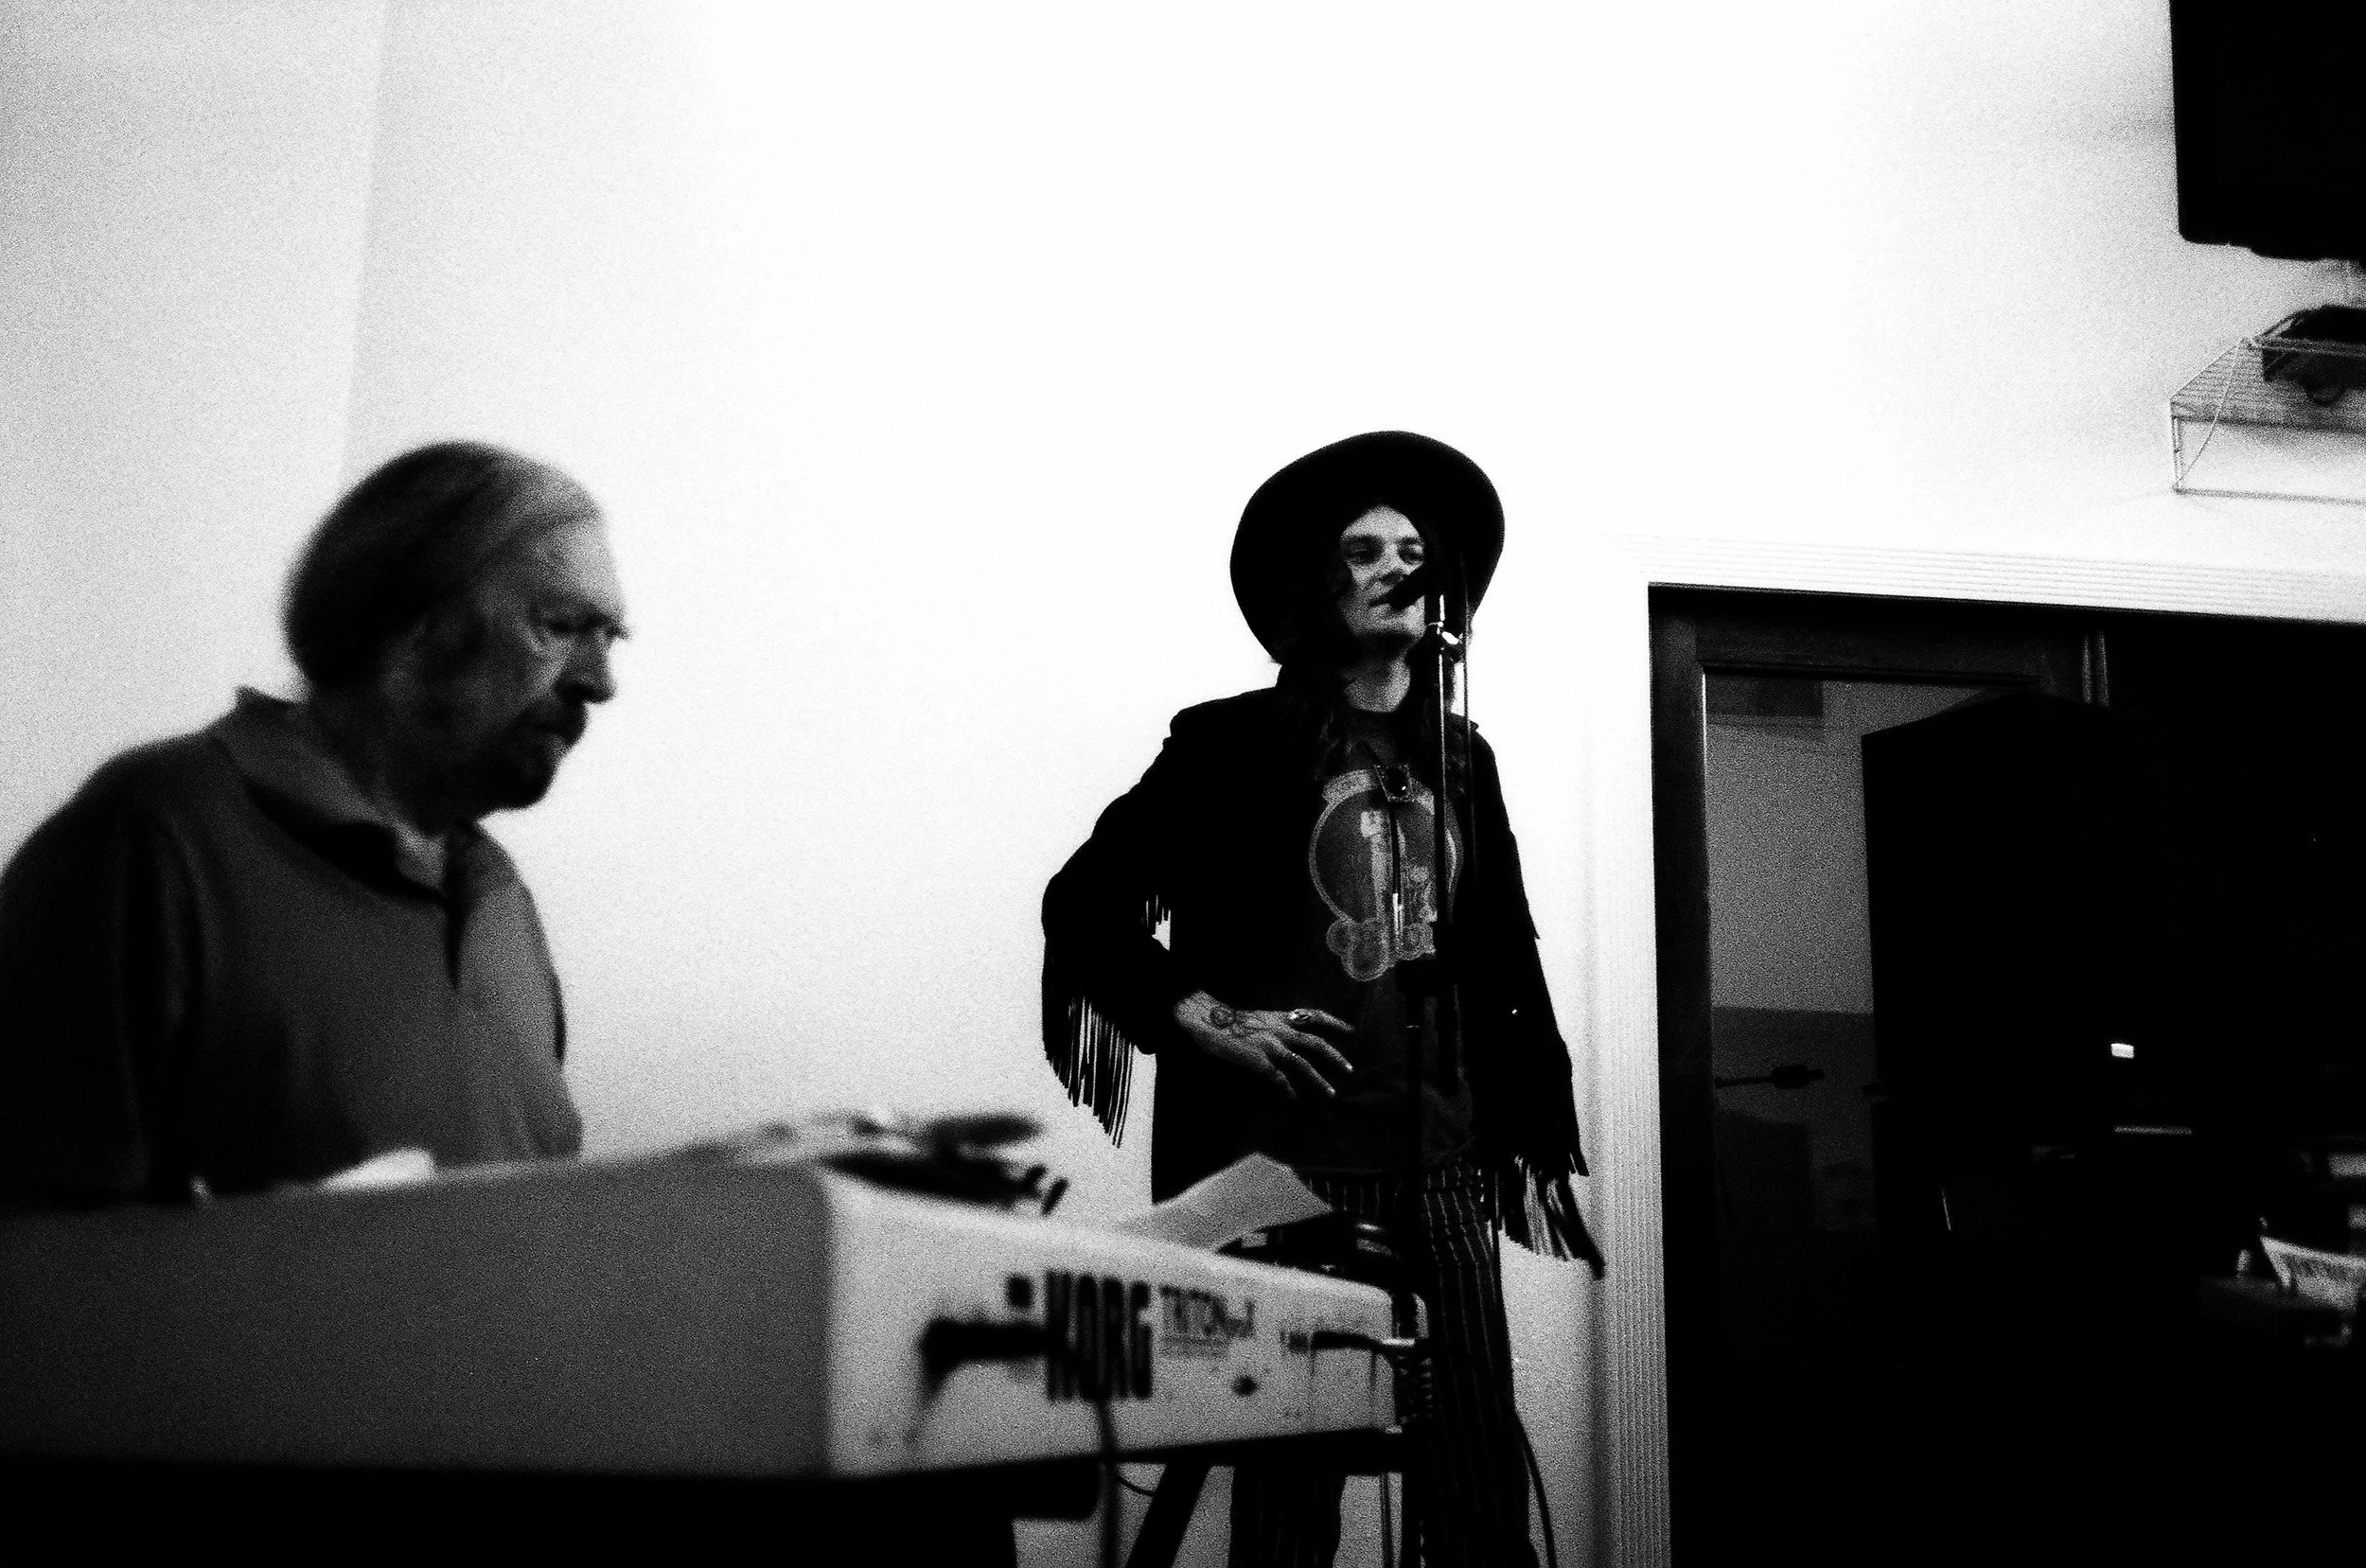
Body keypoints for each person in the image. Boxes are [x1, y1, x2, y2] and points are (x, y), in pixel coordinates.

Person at [1042, 431, 1601, 1566]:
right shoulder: (1229, 744)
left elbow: (1502, 954)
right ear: (1319, 582)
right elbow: (1084, 904)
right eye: (1364, 549)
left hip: (1441, 1152)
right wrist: (1206, 1018)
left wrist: (1513, 1106)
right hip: (1284, 1172)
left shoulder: (1464, 758)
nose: (1397, 565)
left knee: (1475, 1472)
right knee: (1290, 1486)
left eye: (1413, 549)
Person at [0, 441, 626, 1202]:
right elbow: (37, 1268)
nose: (600, 682)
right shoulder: (152, 840)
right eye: (562, 626)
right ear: (412, 623)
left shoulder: (503, 904)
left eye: (610, 638)